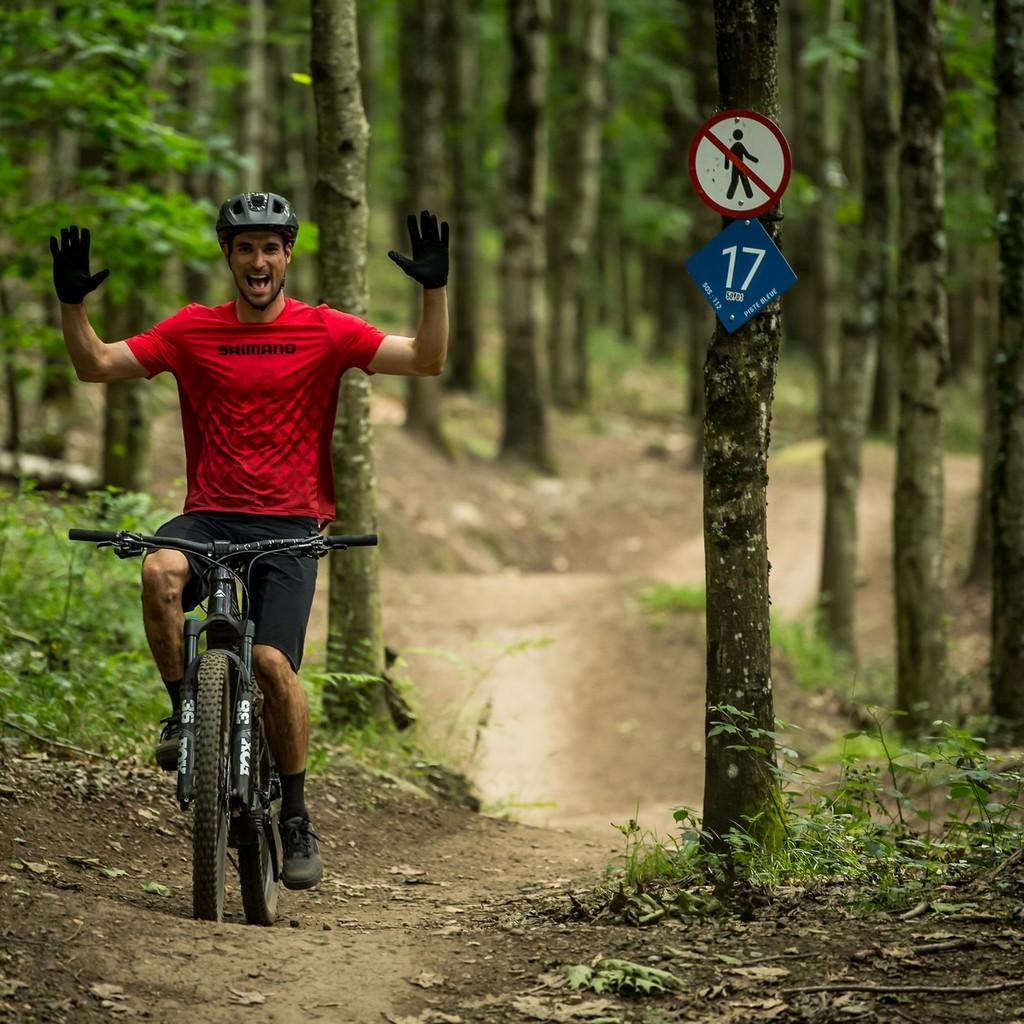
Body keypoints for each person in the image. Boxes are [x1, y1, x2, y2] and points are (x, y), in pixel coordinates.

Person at [49, 192, 449, 890]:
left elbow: (425, 361)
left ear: (288, 254)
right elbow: (96, 367)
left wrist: (436, 290)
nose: (258, 260)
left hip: (292, 523)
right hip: (208, 515)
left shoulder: (325, 330)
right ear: (229, 258)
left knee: (269, 662)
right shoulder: (191, 331)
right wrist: (70, 305)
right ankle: (183, 714)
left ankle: (294, 812)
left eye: (270, 247)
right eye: (244, 248)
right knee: (158, 574)